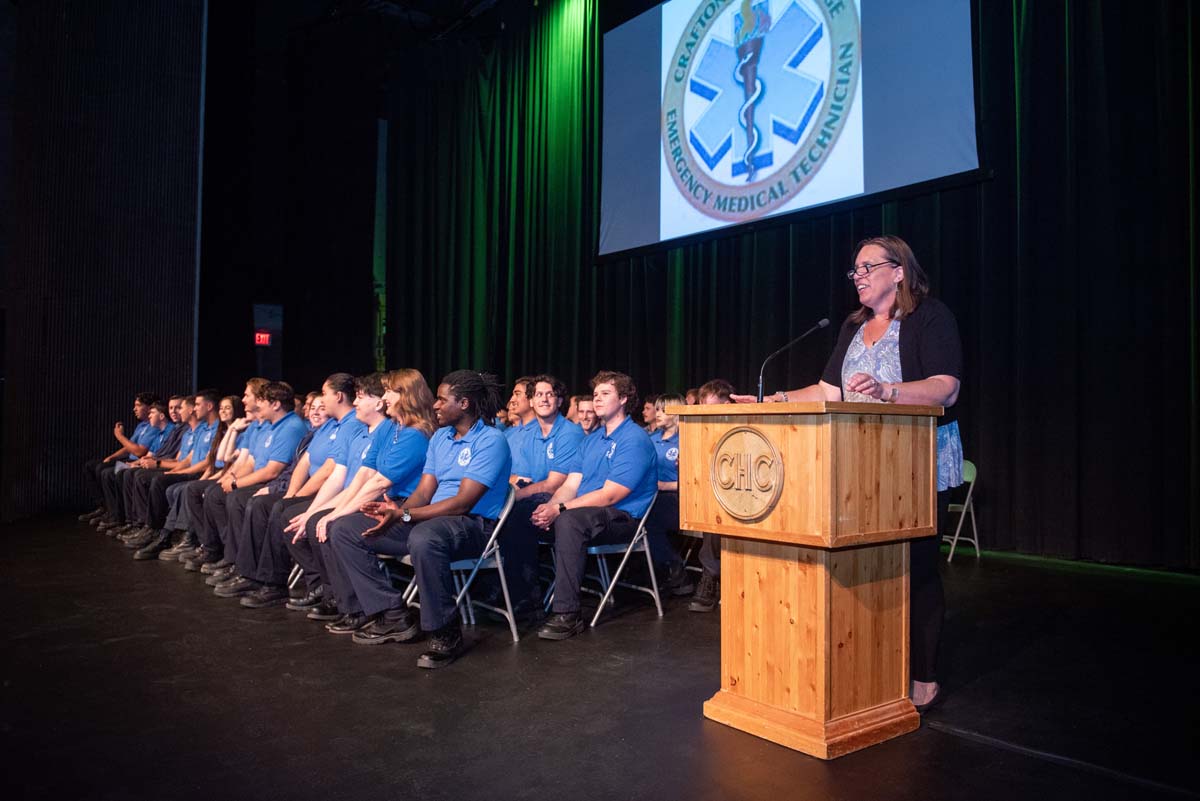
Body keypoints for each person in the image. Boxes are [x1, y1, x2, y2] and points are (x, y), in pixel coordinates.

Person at [733, 235, 963, 712]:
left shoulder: (930, 316)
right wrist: (769, 401)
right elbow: (825, 390)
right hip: (858, 465)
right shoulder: (852, 327)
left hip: (915, 461)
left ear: (898, 271)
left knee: (915, 568)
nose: (857, 277)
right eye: (854, 271)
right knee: (866, 568)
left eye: (866, 267)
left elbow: (946, 387)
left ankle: (924, 673)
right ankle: (874, 664)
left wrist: (887, 390)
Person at [329, 370, 510, 669]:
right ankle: (393, 614)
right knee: (346, 529)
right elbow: (425, 491)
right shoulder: (441, 437)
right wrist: (394, 512)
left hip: (472, 526)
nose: (435, 406)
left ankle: (445, 632)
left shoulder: (491, 441)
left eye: (442, 400)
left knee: (424, 538)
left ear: (464, 403)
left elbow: (462, 503)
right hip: (431, 520)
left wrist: (406, 514)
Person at [532, 370, 658, 641]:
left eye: (605, 394)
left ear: (623, 399)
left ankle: (568, 613)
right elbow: (570, 485)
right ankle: (524, 599)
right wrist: (551, 506)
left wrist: (561, 510)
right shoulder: (591, 440)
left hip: (623, 517)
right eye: (596, 394)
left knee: (568, 521)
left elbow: (611, 495)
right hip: (588, 512)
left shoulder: (634, 439)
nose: (597, 400)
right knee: (528, 511)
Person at [502, 374, 585, 610]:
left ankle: (526, 597)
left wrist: (513, 497)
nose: (544, 399)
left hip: (564, 502)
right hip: (535, 497)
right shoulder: (531, 435)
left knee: (514, 516)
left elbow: (553, 485)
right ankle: (502, 590)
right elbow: (524, 478)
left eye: (550, 394)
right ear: (532, 400)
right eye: (539, 394)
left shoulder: (569, 433)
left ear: (560, 401)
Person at [688, 378, 734, 613]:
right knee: (713, 514)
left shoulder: (745, 427)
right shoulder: (701, 433)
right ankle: (710, 576)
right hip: (713, 498)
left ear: (728, 405)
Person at [643, 393, 692, 595]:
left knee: (650, 515)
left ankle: (675, 569)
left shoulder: (686, 440)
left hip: (677, 498)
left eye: (664, 409)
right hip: (651, 494)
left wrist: (664, 485)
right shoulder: (650, 438)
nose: (658, 413)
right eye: (657, 408)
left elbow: (693, 481)